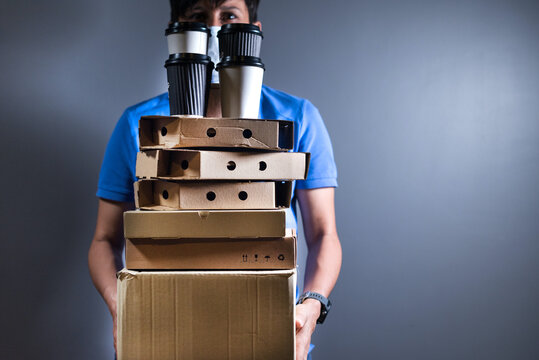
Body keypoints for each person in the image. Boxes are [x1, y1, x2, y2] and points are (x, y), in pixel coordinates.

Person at [87, 0, 342, 359]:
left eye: (229, 17)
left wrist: (310, 308)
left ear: (254, 29)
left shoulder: (295, 119)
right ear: (177, 28)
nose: (214, 30)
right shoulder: (140, 124)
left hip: (266, 332)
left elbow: (324, 234)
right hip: (163, 330)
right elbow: (104, 239)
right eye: (198, 19)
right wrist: (124, 308)